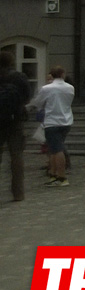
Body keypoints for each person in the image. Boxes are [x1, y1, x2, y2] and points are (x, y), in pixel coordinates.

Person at [31, 67, 73, 187]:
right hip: (66, 120)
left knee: (57, 149)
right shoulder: (70, 88)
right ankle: (53, 174)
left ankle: (62, 177)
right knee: (54, 148)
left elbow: (38, 103)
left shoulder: (46, 89)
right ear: (62, 74)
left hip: (52, 121)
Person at [0, 51, 31, 201]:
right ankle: (18, 193)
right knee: (17, 156)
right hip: (15, 120)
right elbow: (27, 96)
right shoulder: (19, 77)